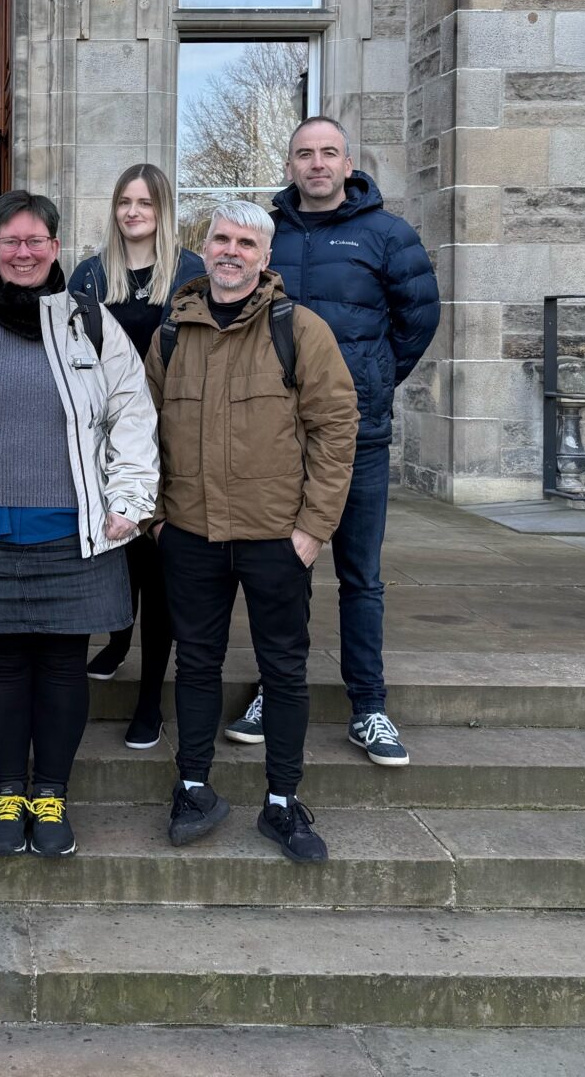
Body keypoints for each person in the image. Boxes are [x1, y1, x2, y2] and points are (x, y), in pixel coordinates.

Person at [0, 191, 158, 858]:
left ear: (55, 248)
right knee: (2, 668)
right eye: (9, 243)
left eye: (34, 242)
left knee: (62, 666)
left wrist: (131, 497)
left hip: (75, 530)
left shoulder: (91, 324)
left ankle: (51, 793)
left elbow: (132, 415)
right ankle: (8, 790)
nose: (22, 254)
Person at [146, 199, 358, 863]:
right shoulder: (172, 335)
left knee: (285, 672)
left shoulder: (301, 331)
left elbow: (335, 432)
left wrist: (312, 529)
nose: (231, 251)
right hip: (188, 535)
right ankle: (192, 787)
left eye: (245, 242)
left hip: (276, 538)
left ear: (266, 258)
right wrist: (155, 519)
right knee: (197, 665)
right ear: (201, 249)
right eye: (220, 240)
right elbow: (138, 433)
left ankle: (282, 802)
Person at [223, 117, 438, 767]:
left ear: (348, 163)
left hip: (360, 440)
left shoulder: (389, 235)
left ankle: (368, 707)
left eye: (328, 153)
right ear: (288, 165)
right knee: (279, 575)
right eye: (303, 154)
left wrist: (365, 385)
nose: (316, 164)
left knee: (360, 577)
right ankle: (273, 689)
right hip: (278, 443)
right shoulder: (267, 237)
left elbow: (419, 319)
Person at [66, 163, 206, 750]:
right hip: (112, 441)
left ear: (162, 209)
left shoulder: (193, 273)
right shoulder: (92, 274)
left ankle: (151, 697)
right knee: (120, 556)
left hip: (177, 439)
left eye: (145, 202)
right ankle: (119, 636)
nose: (133, 212)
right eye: (125, 201)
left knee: (162, 568)